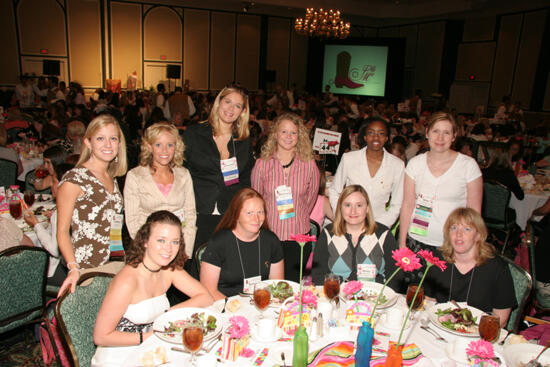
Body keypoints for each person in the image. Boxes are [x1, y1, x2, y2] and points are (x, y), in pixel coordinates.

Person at [92, 211, 213, 367]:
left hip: (151, 351)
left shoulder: (168, 271)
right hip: (119, 357)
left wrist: (170, 313)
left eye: (175, 242)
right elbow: (101, 336)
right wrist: (147, 337)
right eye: (161, 240)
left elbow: (206, 297)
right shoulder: (127, 281)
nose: (168, 249)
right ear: (145, 241)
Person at [56, 114, 127, 296]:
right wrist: (73, 268)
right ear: (88, 143)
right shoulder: (74, 179)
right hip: (87, 269)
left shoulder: (112, 178)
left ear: (119, 144)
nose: (108, 144)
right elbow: (62, 231)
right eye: (100, 138)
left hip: (115, 263)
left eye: (113, 139)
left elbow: (115, 226)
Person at [183, 85, 254, 263]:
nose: (231, 109)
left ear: (242, 111)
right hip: (198, 211)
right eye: (228, 102)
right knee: (194, 267)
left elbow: (246, 179)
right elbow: (180, 171)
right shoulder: (194, 133)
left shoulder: (243, 141)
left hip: (228, 215)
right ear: (218, 102)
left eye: (237, 106)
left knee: (224, 266)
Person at [399, 112, 483, 254]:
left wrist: (472, 247)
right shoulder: (415, 164)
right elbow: (407, 205)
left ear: (454, 136)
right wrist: (402, 243)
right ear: (427, 133)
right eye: (435, 131)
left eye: (446, 133)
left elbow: (474, 212)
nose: (440, 138)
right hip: (416, 240)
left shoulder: (468, 166)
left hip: (453, 244)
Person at [251, 112, 319, 282]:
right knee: (269, 285)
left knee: (293, 285)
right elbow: (256, 199)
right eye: (284, 132)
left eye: (293, 133)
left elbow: (310, 199)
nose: (288, 137)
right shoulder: (262, 164)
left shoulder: (309, 164)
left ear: (299, 136)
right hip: (268, 235)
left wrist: (298, 213)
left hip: (298, 238)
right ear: (275, 134)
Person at [424, 208, 516, 327]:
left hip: (477, 333)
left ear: (478, 235)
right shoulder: (437, 260)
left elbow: (501, 320)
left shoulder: (496, 268)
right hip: (439, 328)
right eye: (454, 228)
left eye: (467, 229)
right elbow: (428, 303)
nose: (459, 234)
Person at [124, 122, 196, 259]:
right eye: (158, 145)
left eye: (170, 145)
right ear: (149, 147)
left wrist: (184, 251)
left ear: (176, 147)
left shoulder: (184, 174)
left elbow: (190, 215)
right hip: (147, 250)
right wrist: (148, 249)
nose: (165, 150)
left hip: (178, 249)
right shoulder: (135, 176)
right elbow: (132, 220)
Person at [311, 185, 402, 291]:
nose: (353, 211)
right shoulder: (328, 233)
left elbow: (395, 278)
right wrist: (344, 285)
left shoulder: (383, 234)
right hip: (337, 295)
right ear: (340, 208)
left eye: (359, 205)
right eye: (347, 205)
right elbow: (318, 275)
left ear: (367, 208)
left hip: (374, 297)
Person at [200, 188, 284, 300]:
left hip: (261, 304)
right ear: (236, 214)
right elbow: (209, 291)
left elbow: (276, 286)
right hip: (226, 306)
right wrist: (235, 309)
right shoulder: (219, 243)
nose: (256, 218)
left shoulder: (271, 241)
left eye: (260, 212)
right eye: (249, 213)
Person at [329, 117, 404, 229]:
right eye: (371, 133)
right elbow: (334, 190)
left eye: (381, 133)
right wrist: (343, 216)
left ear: (386, 138)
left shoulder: (397, 165)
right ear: (365, 137)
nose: (375, 137)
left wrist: (381, 226)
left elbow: (398, 202)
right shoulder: (349, 159)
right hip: (349, 224)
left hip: (379, 225)